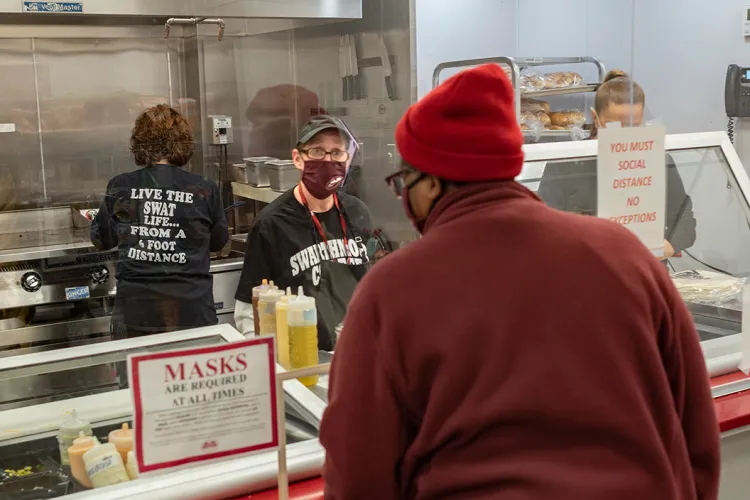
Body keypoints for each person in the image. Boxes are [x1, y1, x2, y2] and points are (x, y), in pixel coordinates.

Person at [319, 65, 719, 499]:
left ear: (431, 183)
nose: (405, 200)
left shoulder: (391, 290)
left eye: (405, 184)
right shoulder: (626, 255)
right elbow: (695, 429)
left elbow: (358, 471)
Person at [234, 115, 374, 351]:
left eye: (337, 153)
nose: (328, 161)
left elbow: (371, 288)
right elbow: (249, 311)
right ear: (298, 159)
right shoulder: (272, 223)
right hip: (301, 358)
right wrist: (270, 363)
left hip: (356, 351)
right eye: (318, 152)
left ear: (347, 160)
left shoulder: (357, 212)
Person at [91, 104, 229, 339]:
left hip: (136, 315)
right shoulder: (204, 188)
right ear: (183, 143)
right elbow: (218, 243)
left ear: (139, 143)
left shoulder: (121, 185)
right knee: (193, 375)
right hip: (192, 313)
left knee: (137, 375)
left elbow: (102, 240)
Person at [537, 70, 697, 259]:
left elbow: (685, 224)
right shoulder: (566, 164)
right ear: (595, 118)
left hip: (642, 272)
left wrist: (658, 250)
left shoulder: (658, 162)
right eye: (615, 127)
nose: (625, 137)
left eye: (633, 126)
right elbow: (543, 231)